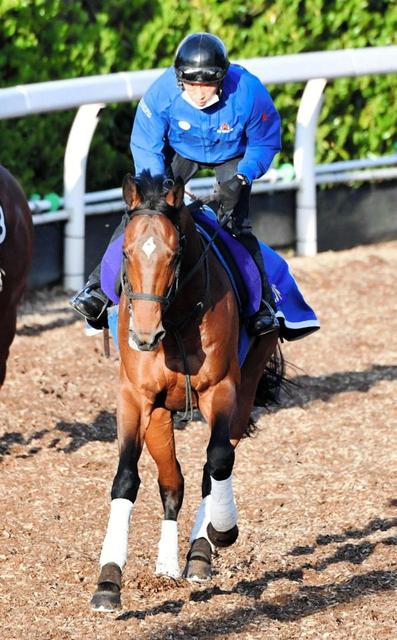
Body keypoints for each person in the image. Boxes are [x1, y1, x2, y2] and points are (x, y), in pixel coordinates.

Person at [70, 32, 281, 335]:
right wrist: (153, 192)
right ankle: (98, 291)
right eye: (192, 83)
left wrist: (243, 175)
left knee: (235, 223)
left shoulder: (249, 93)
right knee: (142, 216)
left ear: (222, 77)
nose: (199, 93)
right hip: (181, 152)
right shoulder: (161, 94)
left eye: (207, 83)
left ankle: (260, 306)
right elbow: (146, 143)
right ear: (179, 77)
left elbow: (265, 141)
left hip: (232, 156)